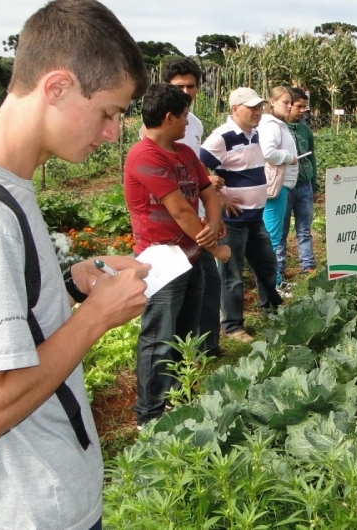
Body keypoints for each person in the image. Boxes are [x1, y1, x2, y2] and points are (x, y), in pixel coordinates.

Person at [0, 1, 150, 528]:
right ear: (57, 87)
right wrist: (95, 319)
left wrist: (68, 285)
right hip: (27, 508)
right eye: (109, 112)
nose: (113, 133)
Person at [124, 83, 229, 427]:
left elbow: (208, 194)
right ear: (168, 118)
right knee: (158, 337)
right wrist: (216, 247)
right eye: (184, 116)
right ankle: (149, 415)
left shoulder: (184, 153)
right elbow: (181, 212)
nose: (188, 123)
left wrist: (212, 227)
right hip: (161, 261)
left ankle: (178, 400)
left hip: (192, 256)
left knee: (186, 335)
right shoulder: (144, 156)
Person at [148, 57, 227, 358]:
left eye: (190, 85)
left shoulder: (193, 124)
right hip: (175, 225)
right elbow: (167, 179)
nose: (186, 90)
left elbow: (192, 167)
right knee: (175, 297)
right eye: (178, 86)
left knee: (206, 286)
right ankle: (175, 359)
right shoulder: (155, 129)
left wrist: (208, 191)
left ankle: (205, 346)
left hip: (198, 215)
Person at [200, 87, 282, 344]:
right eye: (251, 108)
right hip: (232, 221)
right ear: (235, 109)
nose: (257, 112)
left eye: (259, 107)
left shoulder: (255, 134)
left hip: (254, 216)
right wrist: (220, 197)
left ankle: (271, 309)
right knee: (232, 275)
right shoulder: (221, 137)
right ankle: (233, 326)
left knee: (267, 264)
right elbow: (198, 166)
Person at [256, 86, 299, 289]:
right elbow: (268, 152)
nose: (289, 106)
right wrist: (289, 158)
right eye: (285, 102)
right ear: (272, 102)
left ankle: (276, 281)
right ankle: (272, 285)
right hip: (276, 186)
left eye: (291, 102)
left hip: (282, 185)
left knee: (275, 234)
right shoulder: (270, 124)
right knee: (272, 236)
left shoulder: (279, 123)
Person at [283, 86, 318, 274]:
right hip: (285, 187)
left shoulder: (305, 129)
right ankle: (279, 268)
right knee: (281, 231)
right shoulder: (279, 129)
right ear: (288, 106)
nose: (303, 110)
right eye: (299, 106)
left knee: (304, 229)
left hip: (305, 184)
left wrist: (314, 183)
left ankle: (308, 265)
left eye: (305, 107)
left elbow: (311, 156)